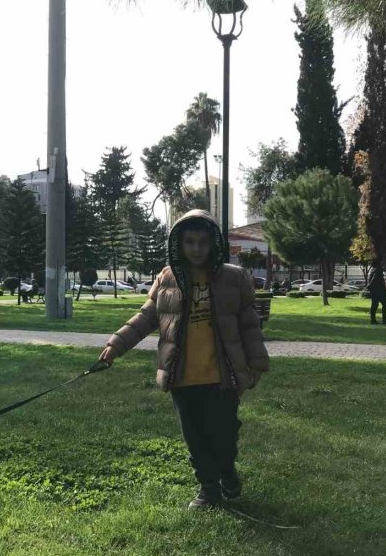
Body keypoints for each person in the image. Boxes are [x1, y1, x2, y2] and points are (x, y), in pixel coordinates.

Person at [99, 210, 270, 510]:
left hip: (223, 376)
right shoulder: (167, 278)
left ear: (214, 243)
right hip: (182, 377)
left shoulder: (234, 278)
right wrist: (116, 345)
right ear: (178, 244)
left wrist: (256, 363)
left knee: (223, 435)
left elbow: (249, 325)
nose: (196, 248)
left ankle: (227, 470)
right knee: (195, 438)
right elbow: (145, 317)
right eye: (189, 242)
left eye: (203, 242)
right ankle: (208, 490)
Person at [367, 258, 386, 325]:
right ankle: (383, 319)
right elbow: (374, 278)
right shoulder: (378, 269)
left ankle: (373, 319)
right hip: (378, 290)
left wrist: (369, 286)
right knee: (384, 303)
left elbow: (373, 278)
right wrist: (370, 285)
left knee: (375, 304)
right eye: (382, 262)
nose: (383, 263)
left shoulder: (373, 269)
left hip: (375, 290)